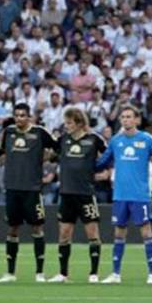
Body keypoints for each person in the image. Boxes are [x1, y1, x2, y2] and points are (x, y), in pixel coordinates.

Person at [95, 106, 152, 284]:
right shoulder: (116, 141)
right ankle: (116, 274)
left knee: (146, 232)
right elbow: (102, 162)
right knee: (119, 232)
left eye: (129, 117)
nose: (125, 120)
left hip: (140, 195)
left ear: (137, 120)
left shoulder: (147, 140)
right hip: (120, 194)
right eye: (123, 117)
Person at [0, 103, 58, 283]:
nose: (19, 118)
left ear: (29, 117)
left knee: (37, 227)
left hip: (32, 188)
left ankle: (39, 273)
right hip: (12, 187)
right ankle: (10, 273)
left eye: (23, 115)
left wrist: (43, 158)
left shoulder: (39, 132)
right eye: (17, 115)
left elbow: (56, 148)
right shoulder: (8, 132)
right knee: (12, 228)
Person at [48, 107, 106, 283]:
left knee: (92, 233)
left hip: (86, 193)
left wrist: (103, 172)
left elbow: (108, 156)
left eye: (70, 123)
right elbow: (51, 156)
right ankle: (63, 273)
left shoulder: (94, 139)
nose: (66, 126)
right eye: (65, 123)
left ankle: (94, 273)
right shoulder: (62, 140)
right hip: (66, 193)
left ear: (80, 123)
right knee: (64, 233)